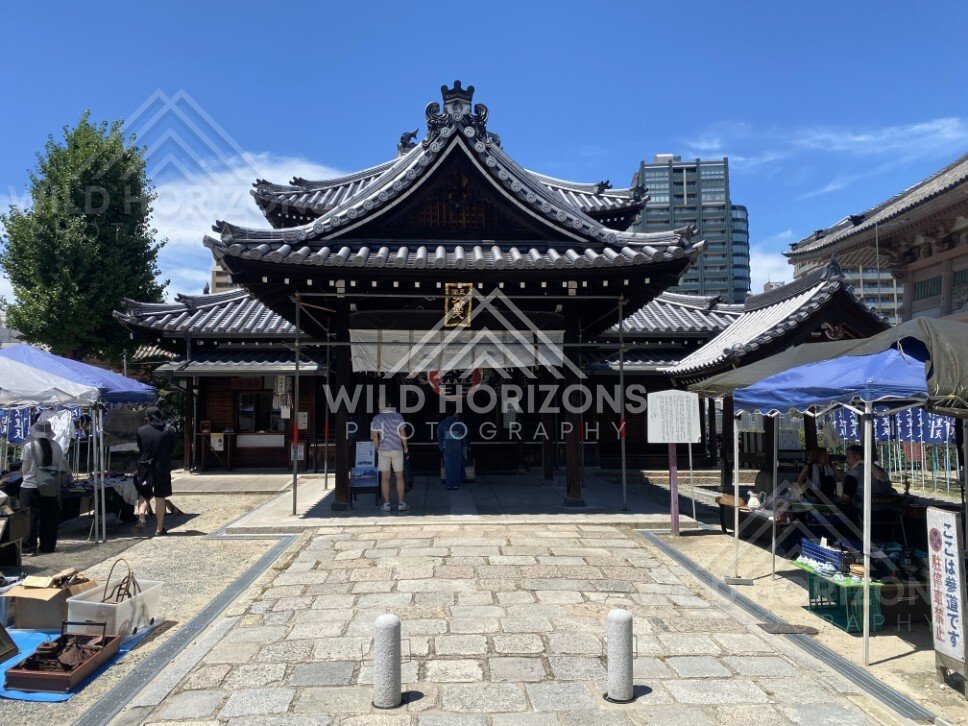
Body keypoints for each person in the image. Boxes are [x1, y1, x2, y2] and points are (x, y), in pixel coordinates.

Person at [20, 421, 66, 555]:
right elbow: (60, 466)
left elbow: (25, 468)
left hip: (30, 486)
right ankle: (48, 546)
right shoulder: (57, 446)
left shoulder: (29, 446)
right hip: (50, 486)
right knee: (49, 517)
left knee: (30, 518)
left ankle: (29, 548)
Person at [136, 406, 176, 536]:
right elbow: (172, 450)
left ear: (147, 417)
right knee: (160, 496)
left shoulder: (141, 431)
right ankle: (159, 529)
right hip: (162, 466)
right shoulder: (168, 430)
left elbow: (141, 449)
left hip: (145, 466)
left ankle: (141, 517)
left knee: (143, 493)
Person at [839, 444, 893, 523]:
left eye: (848, 457)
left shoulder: (853, 474)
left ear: (857, 457)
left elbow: (845, 499)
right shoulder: (881, 470)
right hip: (889, 516)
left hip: (863, 516)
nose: (846, 461)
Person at [371, 404, 409, 512]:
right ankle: (401, 503)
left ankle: (387, 504)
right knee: (399, 477)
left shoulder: (376, 418)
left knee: (385, 478)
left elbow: (374, 435)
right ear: (390, 405)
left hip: (383, 450)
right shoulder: (398, 416)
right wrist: (405, 447)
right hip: (397, 449)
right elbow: (403, 433)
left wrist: (377, 448)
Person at [438, 410, 467, 490]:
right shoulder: (459, 422)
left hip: (447, 446)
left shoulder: (443, 422)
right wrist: (464, 444)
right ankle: (455, 484)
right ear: (455, 413)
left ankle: (449, 484)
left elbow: (439, 433)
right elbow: (464, 434)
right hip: (457, 445)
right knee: (457, 466)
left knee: (448, 465)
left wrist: (441, 444)